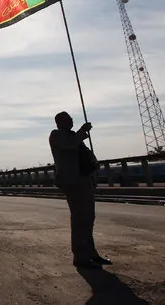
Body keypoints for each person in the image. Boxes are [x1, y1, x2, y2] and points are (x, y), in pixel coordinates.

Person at [49, 111, 112, 269]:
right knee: (80, 218)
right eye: (68, 119)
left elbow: (83, 154)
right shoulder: (56, 135)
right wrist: (82, 131)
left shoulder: (72, 135)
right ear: (59, 122)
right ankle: (80, 257)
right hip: (72, 181)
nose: (71, 121)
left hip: (84, 180)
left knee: (88, 217)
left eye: (71, 119)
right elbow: (69, 145)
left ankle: (91, 253)